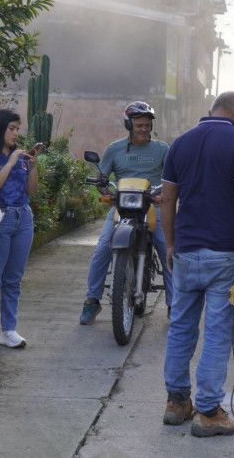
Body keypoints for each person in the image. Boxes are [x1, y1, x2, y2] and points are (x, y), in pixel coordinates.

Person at [160, 91, 234, 437]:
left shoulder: (180, 143)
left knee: (181, 327)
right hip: (224, 254)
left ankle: (176, 402)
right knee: (218, 332)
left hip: (186, 252)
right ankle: (208, 411)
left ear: (210, 111)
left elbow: (167, 199)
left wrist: (171, 244)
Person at [80, 102, 172, 324]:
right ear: (129, 125)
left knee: (169, 250)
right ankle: (92, 300)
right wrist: (105, 189)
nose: (143, 129)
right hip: (121, 206)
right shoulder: (114, 149)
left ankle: (175, 304)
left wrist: (165, 195)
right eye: (139, 125)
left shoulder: (162, 149)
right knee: (103, 248)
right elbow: (103, 178)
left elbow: (172, 178)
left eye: (147, 125)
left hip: (153, 206)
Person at [0, 109, 38, 350]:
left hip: (23, 217)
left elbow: (31, 191)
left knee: (14, 279)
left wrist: (33, 165)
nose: (16, 133)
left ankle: (8, 330)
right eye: (12, 128)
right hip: (1, 216)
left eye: (18, 128)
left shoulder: (21, 156)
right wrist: (11, 161)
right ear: (0, 129)